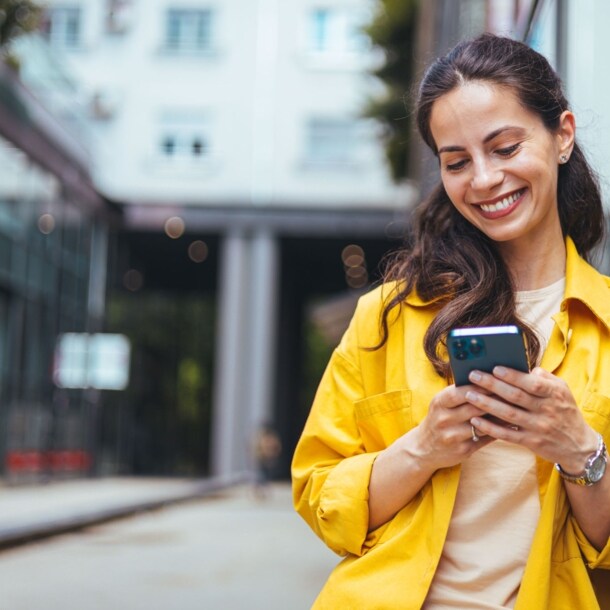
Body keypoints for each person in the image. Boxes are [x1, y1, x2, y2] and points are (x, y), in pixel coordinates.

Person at [291, 33, 610, 609]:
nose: (483, 180)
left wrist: (580, 452)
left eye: (506, 148)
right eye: (457, 162)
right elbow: (320, 497)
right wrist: (423, 449)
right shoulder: (389, 317)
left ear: (562, 135)